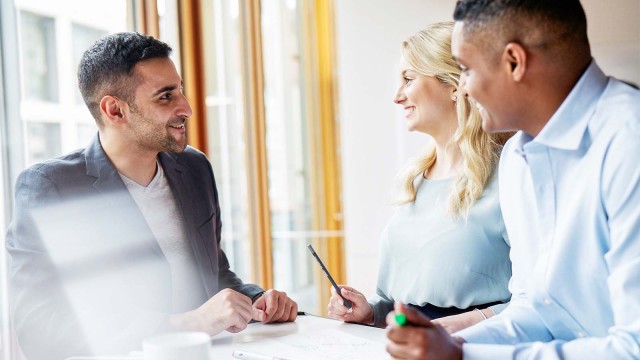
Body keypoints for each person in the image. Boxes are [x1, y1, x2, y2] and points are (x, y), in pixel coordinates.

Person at [5, 32, 297, 360]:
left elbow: (211, 273)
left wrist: (257, 301)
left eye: (180, 90)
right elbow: (38, 324)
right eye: (165, 96)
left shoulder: (195, 168)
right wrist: (188, 324)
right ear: (114, 110)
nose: (185, 107)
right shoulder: (51, 187)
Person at [385, 1, 640, 359]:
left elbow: (634, 347)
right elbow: (537, 311)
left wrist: (461, 356)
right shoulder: (518, 158)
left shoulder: (629, 142)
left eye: (466, 70)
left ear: (514, 62)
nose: (465, 91)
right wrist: (449, 344)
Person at [327, 22, 512, 334]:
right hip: (409, 346)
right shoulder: (414, 180)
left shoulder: (510, 173)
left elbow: (544, 301)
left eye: (408, 80)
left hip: (476, 348)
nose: (397, 97)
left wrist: (464, 324)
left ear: (455, 84)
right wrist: (371, 312)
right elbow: (401, 306)